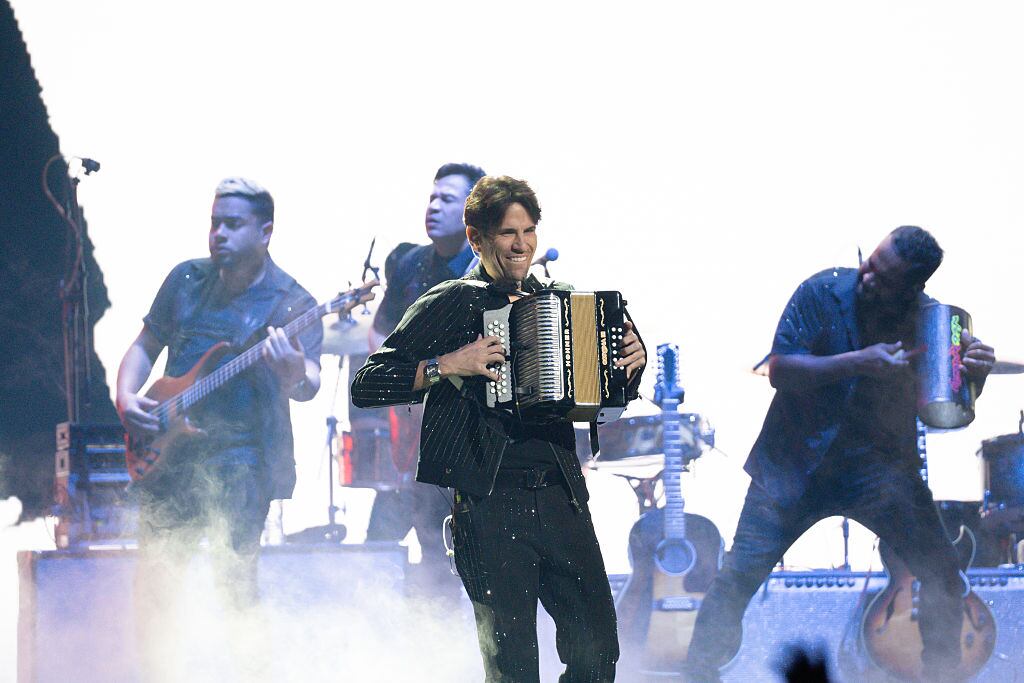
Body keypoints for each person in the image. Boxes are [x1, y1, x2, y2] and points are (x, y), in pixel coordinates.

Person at [351, 175, 647, 682]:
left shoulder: (564, 299)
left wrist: (630, 368)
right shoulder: (450, 302)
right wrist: (450, 363)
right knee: (512, 671)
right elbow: (368, 383)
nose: (520, 245)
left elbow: (602, 403)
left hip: (561, 499)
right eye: (508, 233)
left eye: (528, 231)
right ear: (477, 239)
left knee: (598, 655)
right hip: (489, 507)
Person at [682, 226, 997, 683]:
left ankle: (941, 676)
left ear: (913, 288)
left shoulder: (931, 321)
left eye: (883, 278)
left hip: (880, 474)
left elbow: (947, 418)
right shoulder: (822, 290)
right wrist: (860, 361)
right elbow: (781, 370)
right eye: (869, 263)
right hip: (794, 466)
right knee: (737, 578)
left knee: (944, 576)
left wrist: (974, 380)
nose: (867, 277)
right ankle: (698, 675)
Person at [115, 177, 323, 679]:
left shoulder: (292, 301)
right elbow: (145, 345)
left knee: (235, 583)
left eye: (233, 224)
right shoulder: (186, 279)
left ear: (266, 231)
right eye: (215, 223)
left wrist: (293, 370)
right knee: (155, 585)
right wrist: (124, 398)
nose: (219, 234)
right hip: (168, 453)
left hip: (241, 458)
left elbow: (309, 381)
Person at [360, 162, 485, 602]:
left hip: (469, 430)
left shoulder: (490, 269)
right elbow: (379, 330)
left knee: (461, 538)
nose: (433, 206)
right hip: (415, 426)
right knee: (417, 529)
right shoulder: (409, 261)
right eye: (432, 197)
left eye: (447, 199)